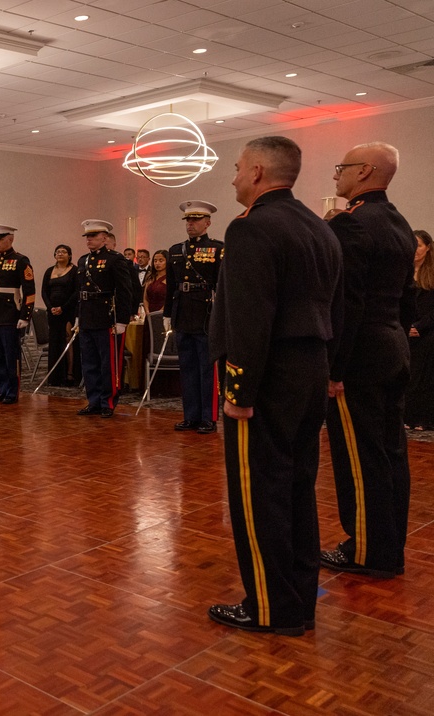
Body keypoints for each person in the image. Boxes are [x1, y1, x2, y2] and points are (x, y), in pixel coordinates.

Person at [207, 135, 342, 637]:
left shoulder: (251, 229)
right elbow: (337, 310)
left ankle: (268, 606)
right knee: (296, 490)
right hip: (310, 370)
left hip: (267, 378)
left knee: (259, 493)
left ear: (259, 172)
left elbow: (249, 319)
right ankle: (297, 601)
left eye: (239, 167)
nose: (235, 176)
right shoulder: (320, 227)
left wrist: (239, 393)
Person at [321, 142, 415, 579]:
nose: (336, 174)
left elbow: (348, 304)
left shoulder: (353, 223)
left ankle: (365, 549)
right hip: (392, 346)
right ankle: (388, 544)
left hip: (360, 357)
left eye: (342, 167)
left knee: (359, 457)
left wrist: (335, 369)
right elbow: (407, 295)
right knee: (391, 452)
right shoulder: (397, 221)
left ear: (365, 172)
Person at [165, 200, 224, 434]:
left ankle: (208, 417)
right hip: (182, 313)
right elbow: (172, 286)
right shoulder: (175, 250)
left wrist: (221, 317)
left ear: (207, 222)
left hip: (205, 315)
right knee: (187, 368)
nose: (190, 224)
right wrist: (168, 314)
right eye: (188, 220)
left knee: (207, 368)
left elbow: (223, 286)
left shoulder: (217, 249)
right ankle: (190, 415)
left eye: (196, 219)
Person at [75, 220, 135, 417]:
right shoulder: (83, 260)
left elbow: (125, 291)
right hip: (87, 316)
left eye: (93, 236)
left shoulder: (115, 260)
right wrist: (78, 317)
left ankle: (107, 401)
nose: (89, 240)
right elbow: (80, 291)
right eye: (87, 236)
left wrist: (122, 320)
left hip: (106, 316)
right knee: (89, 363)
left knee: (108, 363)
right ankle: (93, 401)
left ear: (105, 238)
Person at [0, 224, 35, 403]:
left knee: (10, 354)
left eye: (0, 239)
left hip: (10, 314)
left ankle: (12, 391)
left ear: (10, 239)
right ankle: (0, 388)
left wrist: (24, 316)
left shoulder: (21, 260)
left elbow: (29, 291)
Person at [405, 229, 434, 431]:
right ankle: (407, 416)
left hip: (427, 333)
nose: (415, 250)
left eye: (419, 245)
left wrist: (420, 327)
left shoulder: (431, 273)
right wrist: (407, 326)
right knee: (407, 375)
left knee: (423, 377)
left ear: (428, 248)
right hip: (407, 331)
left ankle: (423, 418)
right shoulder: (404, 271)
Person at [41, 244, 79, 386]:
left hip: (68, 310)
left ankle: (69, 374)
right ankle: (54, 375)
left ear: (69, 255)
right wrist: (51, 307)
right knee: (55, 341)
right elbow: (44, 292)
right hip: (52, 312)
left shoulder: (75, 271)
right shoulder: (49, 271)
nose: (60, 254)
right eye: (58, 252)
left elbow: (76, 292)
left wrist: (63, 307)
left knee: (68, 340)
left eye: (64, 252)